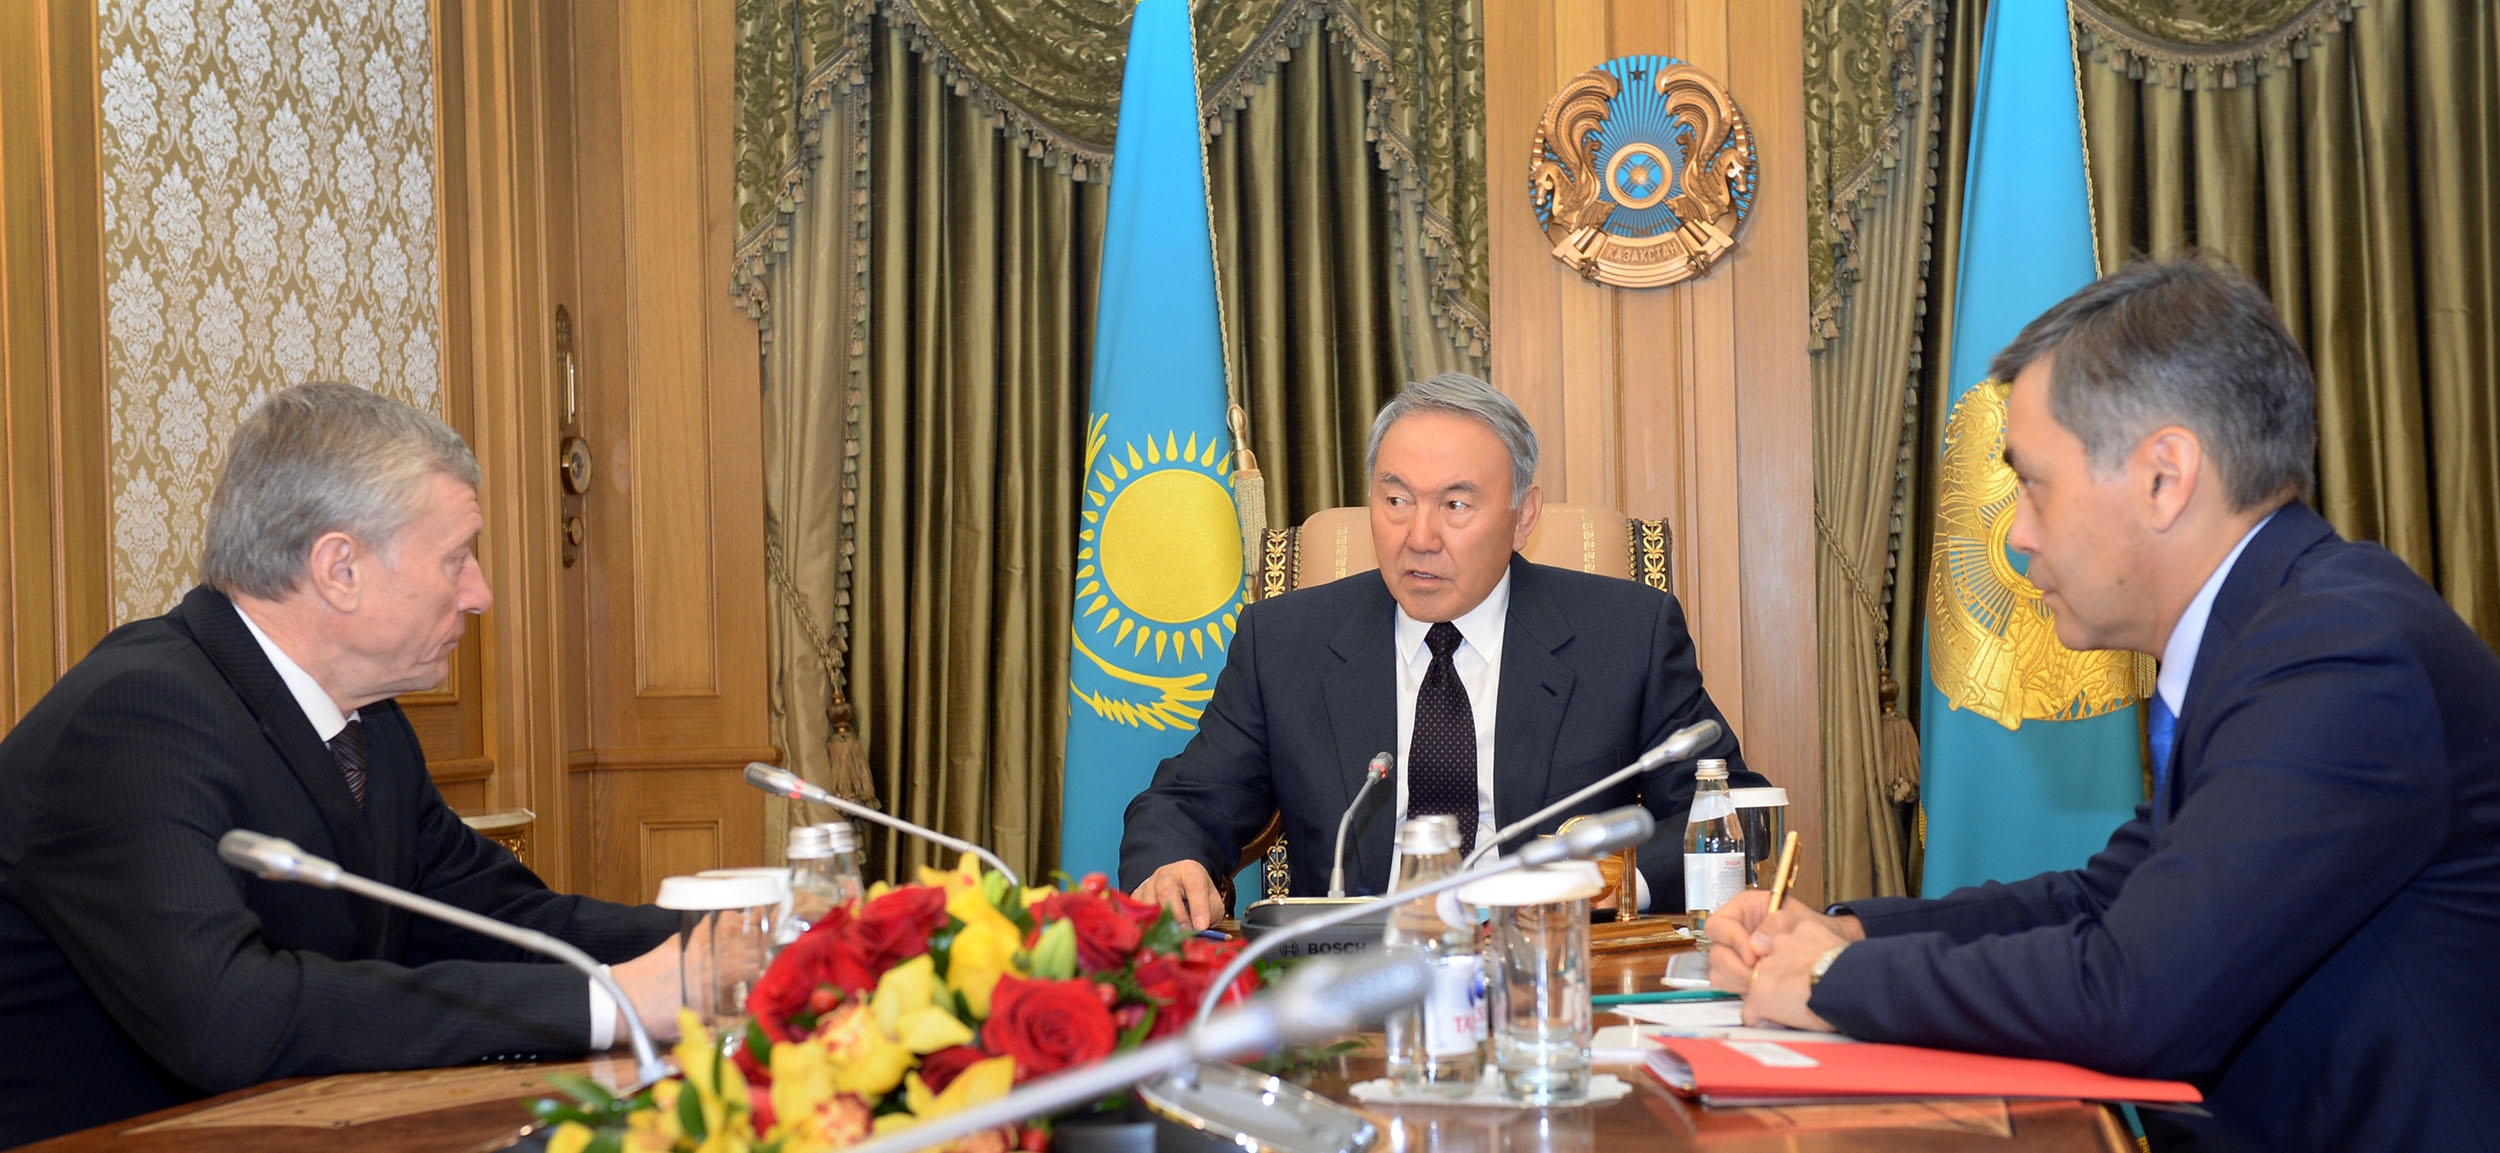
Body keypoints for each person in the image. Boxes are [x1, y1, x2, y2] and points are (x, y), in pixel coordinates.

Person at [1707, 257, 2500, 1151]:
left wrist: (1833, 980)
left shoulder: (2342, 655)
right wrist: (1848, 932)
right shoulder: (2275, 632)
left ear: (2166, 476)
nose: (2015, 535)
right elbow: (2102, 901)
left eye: (2033, 484)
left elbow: (2136, 994)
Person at [0, 384, 685, 1145]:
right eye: (456, 558)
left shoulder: (370, 725)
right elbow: (228, 1015)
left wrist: (737, 942)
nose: (480, 593)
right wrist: (610, 1002)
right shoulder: (136, 717)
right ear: (340, 569)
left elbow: (496, 920)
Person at [1119, 373, 1754, 929]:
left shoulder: (1625, 635)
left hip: (1552, 967)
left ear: (1523, 516)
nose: (1419, 537)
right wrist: (1173, 863)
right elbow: (1183, 803)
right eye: (1396, 500)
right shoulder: (1285, 642)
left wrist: (1609, 883)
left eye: (1455, 504)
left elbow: (1729, 813)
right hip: (1352, 978)